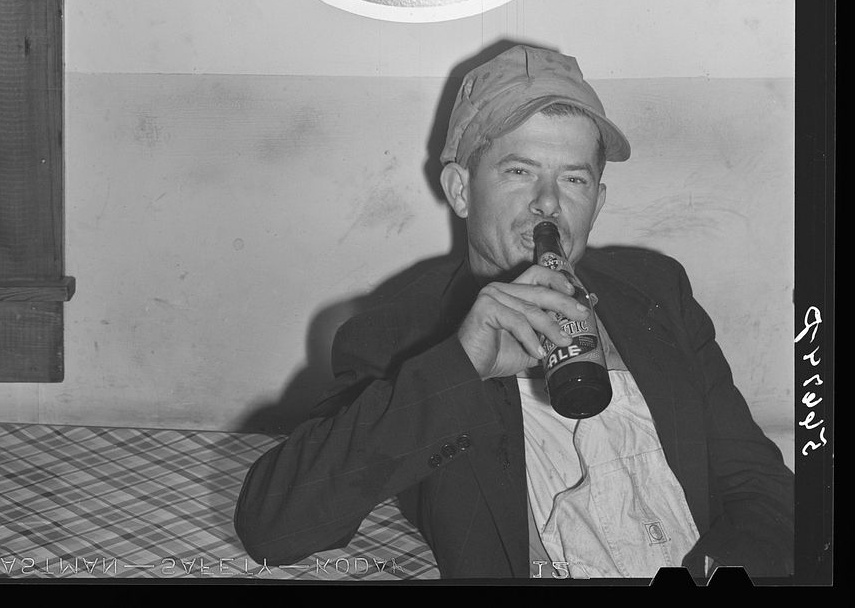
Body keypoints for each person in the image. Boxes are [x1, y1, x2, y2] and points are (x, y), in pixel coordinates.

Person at [233, 45, 794, 581]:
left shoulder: (655, 291)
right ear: (460, 190)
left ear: (597, 201)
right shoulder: (400, 335)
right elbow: (273, 528)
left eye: (573, 178)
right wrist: (459, 367)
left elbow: (761, 490)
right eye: (519, 171)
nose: (548, 202)